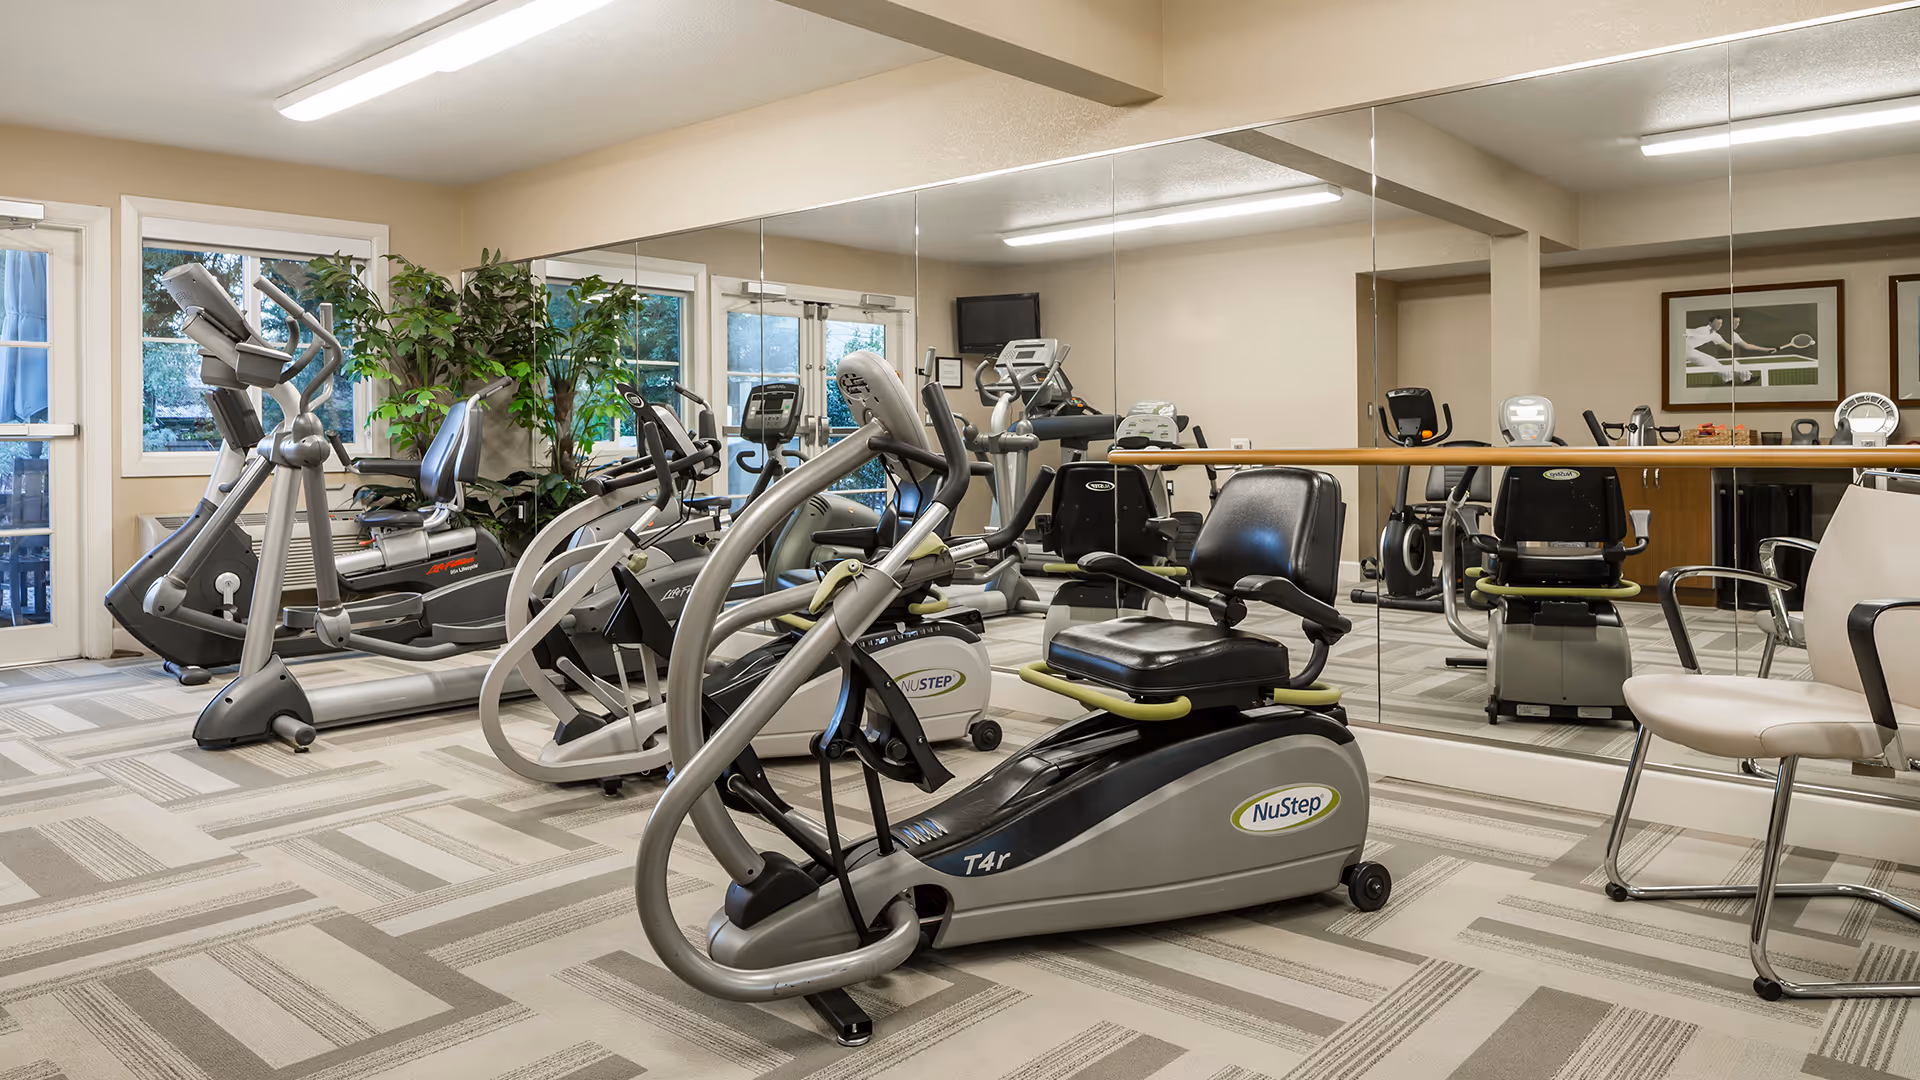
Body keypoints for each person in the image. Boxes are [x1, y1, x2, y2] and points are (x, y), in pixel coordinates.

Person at [1684, 315, 1757, 385]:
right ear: (1710, 323)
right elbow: (1685, 331)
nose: (1719, 325)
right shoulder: (1702, 330)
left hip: (1689, 350)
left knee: (1713, 361)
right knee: (1711, 361)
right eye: (1717, 323)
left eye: (1720, 323)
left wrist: (1740, 345)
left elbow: (1728, 346)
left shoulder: (1715, 335)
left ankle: (1742, 378)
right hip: (1681, 350)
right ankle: (1729, 379)